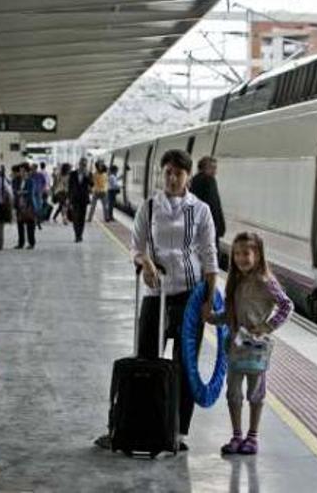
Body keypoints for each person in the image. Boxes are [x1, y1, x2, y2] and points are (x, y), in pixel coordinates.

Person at [99, 149, 218, 451]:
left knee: (185, 365)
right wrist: (146, 263)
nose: (173, 178)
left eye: (179, 173)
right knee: (146, 357)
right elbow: (135, 247)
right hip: (155, 294)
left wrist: (207, 300)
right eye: (168, 172)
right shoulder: (149, 208)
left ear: (187, 176)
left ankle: (177, 430)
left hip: (190, 297)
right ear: (162, 174)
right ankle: (145, 422)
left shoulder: (201, 210)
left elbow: (209, 256)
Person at [209, 232, 293, 456]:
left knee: (256, 393)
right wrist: (212, 317)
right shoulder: (235, 280)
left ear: (258, 254)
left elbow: (286, 305)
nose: (240, 258)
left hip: (256, 348)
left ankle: (252, 437)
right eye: (236, 254)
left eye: (246, 253)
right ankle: (237, 436)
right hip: (236, 347)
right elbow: (230, 314)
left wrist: (267, 327)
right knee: (233, 393)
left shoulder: (266, 281)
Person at [189, 156, 226, 258]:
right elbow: (214, 205)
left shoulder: (193, 181)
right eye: (213, 168)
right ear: (205, 168)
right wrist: (220, 227)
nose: (215, 171)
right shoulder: (209, 180)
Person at [12, 163, 37, 250]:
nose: (22, 173)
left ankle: (31, 243)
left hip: (29, 205)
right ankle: (20, 243)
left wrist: (21, 192)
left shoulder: (31, 181)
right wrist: (20, 192)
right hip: (19, 205)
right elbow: (14, 190)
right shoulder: (16, 180)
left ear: (27, 172)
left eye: (24, 171)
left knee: (30, 225)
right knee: (20, 224)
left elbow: (31, 192)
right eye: (20, 171)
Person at [68, 158, 91, 242]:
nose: (83, 166)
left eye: (85, 165)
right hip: (74, 199)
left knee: (82, 218)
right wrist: (69, 199)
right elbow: (70, 187)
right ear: (79, 164)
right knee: (75, 217)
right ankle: (77, 235)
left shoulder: (88, 174)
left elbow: (92, 184)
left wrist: (87, 176)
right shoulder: (73, 174)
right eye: (82, 164)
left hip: (84, 199)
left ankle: (80, 234)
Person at [29, 164, 47, 230]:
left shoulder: (40, 175)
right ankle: (34, 223)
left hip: (39, 193)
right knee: (34, 208)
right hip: (32, 194)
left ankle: (38, 223)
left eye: (33, 168)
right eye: (31, 168)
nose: (32, 170)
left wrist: (42, 189)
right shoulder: (30, 175)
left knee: (39, 209)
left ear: (36, 168)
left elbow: (44, 182)